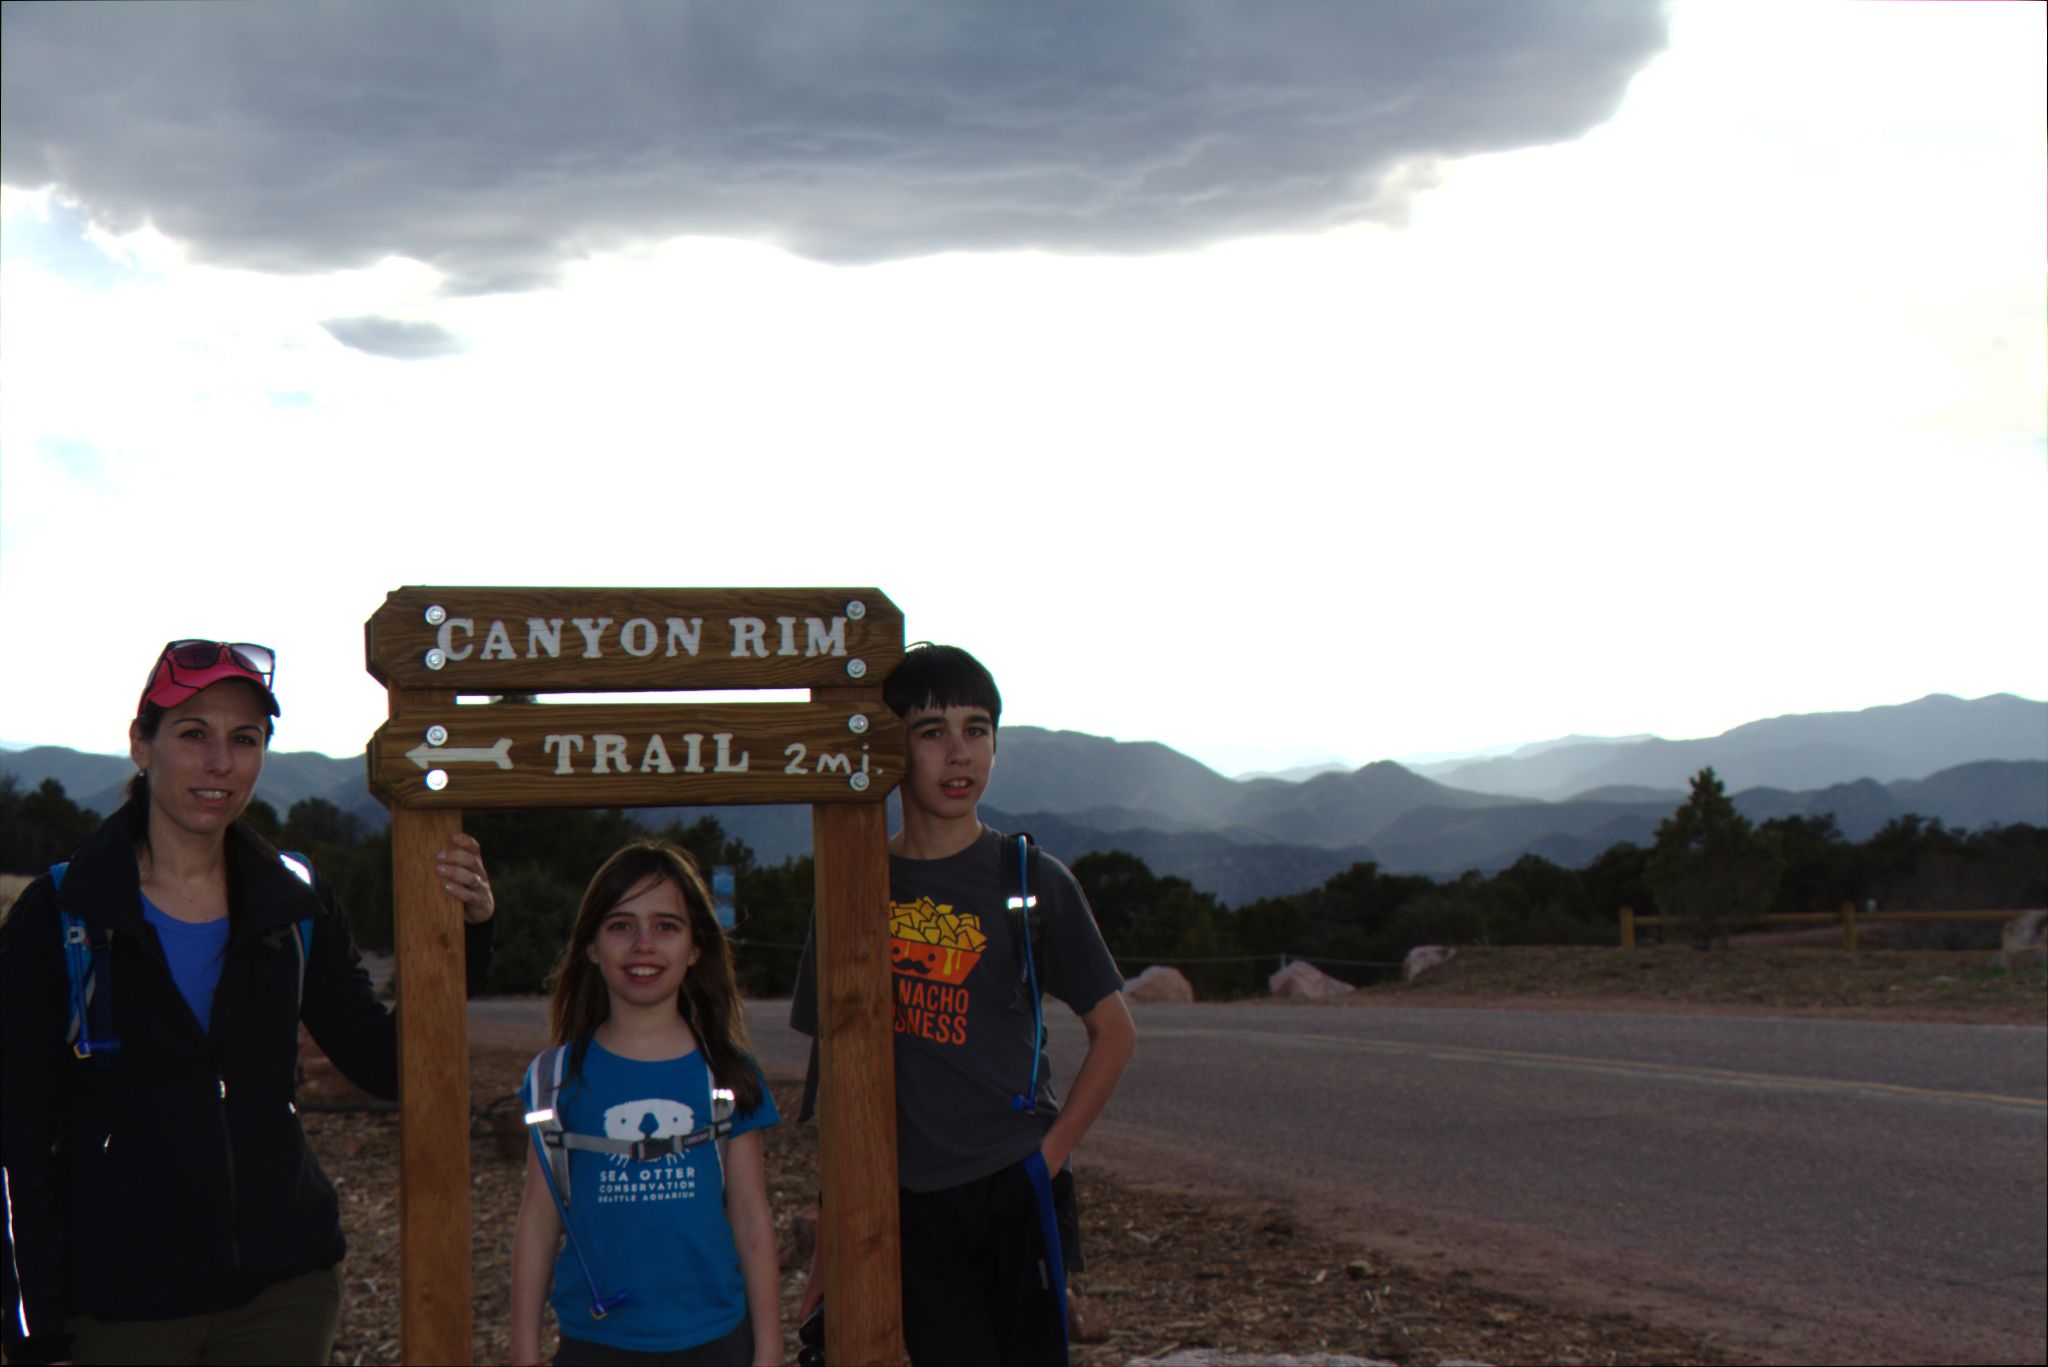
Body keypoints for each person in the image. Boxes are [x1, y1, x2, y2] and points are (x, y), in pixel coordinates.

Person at [0, 639, 498, 1366]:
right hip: (119, 1309)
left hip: (283, 1296)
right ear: (143, 744)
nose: (219, 762)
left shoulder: (292, 901)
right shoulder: (62, 912)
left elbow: (391, 1065)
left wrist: (470, 938)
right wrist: (35, 1334)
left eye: (245, 738)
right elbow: (15, 1144)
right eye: (193, 733)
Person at [791, 643, 1136, 1365]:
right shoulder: (856, 883)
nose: (959, 753)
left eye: (977, 730)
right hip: (907, 1196)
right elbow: (837, 1073)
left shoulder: (1031, 877)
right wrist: (828, 1246)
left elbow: (1115, 1032)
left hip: (1015, 1180)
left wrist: (1048, 1158)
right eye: (931, 731)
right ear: (893, 748)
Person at [509, 841, 780, 1367]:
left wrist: (769, 1352)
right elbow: (538, 1221)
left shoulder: (728, 1075)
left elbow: (750, 1218)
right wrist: (524, 1352)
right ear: (590, 945)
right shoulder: (555, 1079)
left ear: (696, 946)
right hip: (597, 1344)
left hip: (715, 1341)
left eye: (666, 926)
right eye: (620, 925)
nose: (643, 945)